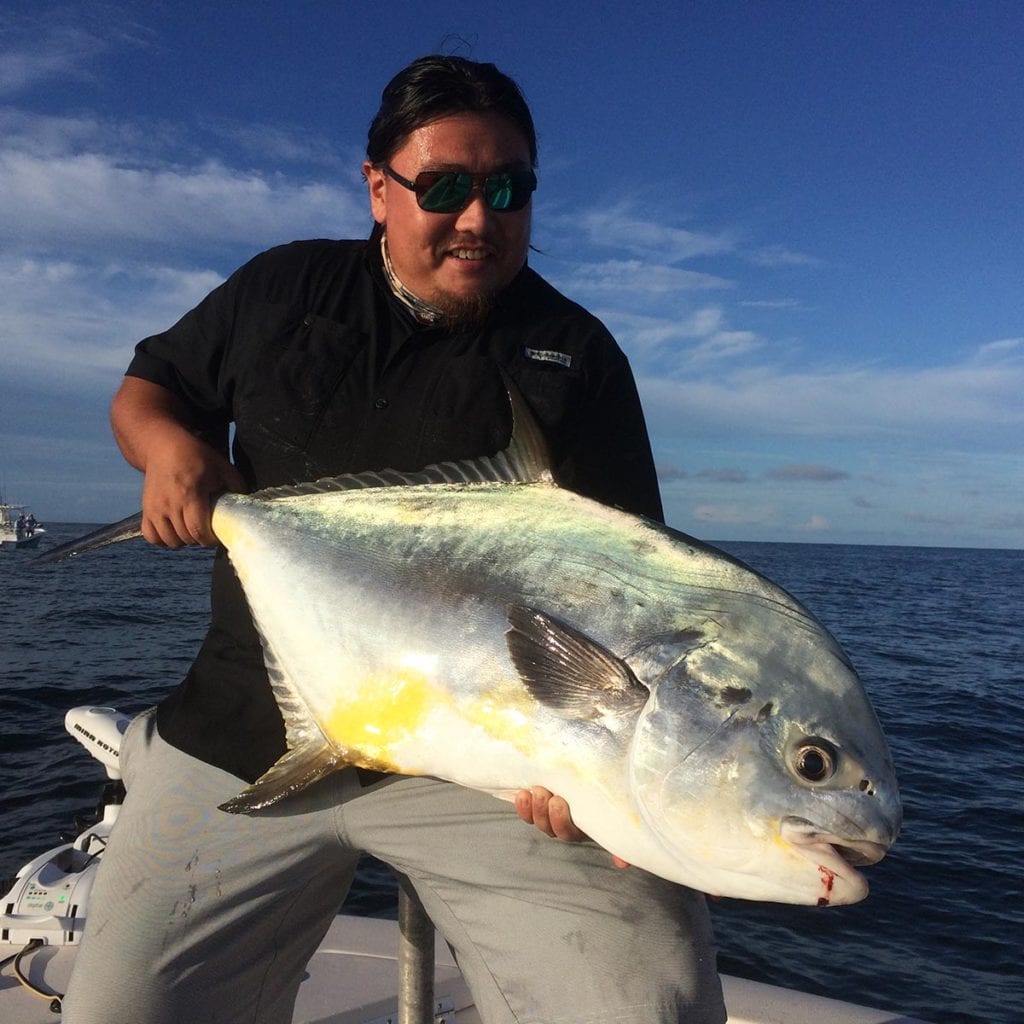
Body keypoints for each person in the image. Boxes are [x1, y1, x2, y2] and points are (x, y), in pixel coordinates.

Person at [62, 55, 726, 1024]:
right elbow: (150, 389)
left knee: (643, 1003)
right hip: (244, 734)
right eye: (445, 188)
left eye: (508, 190)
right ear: (379, 188)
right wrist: (166, 452)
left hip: (485, 764)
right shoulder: (284, 289)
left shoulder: (575, 355)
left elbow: (626, 599)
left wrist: (581, 767)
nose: (478, 218)